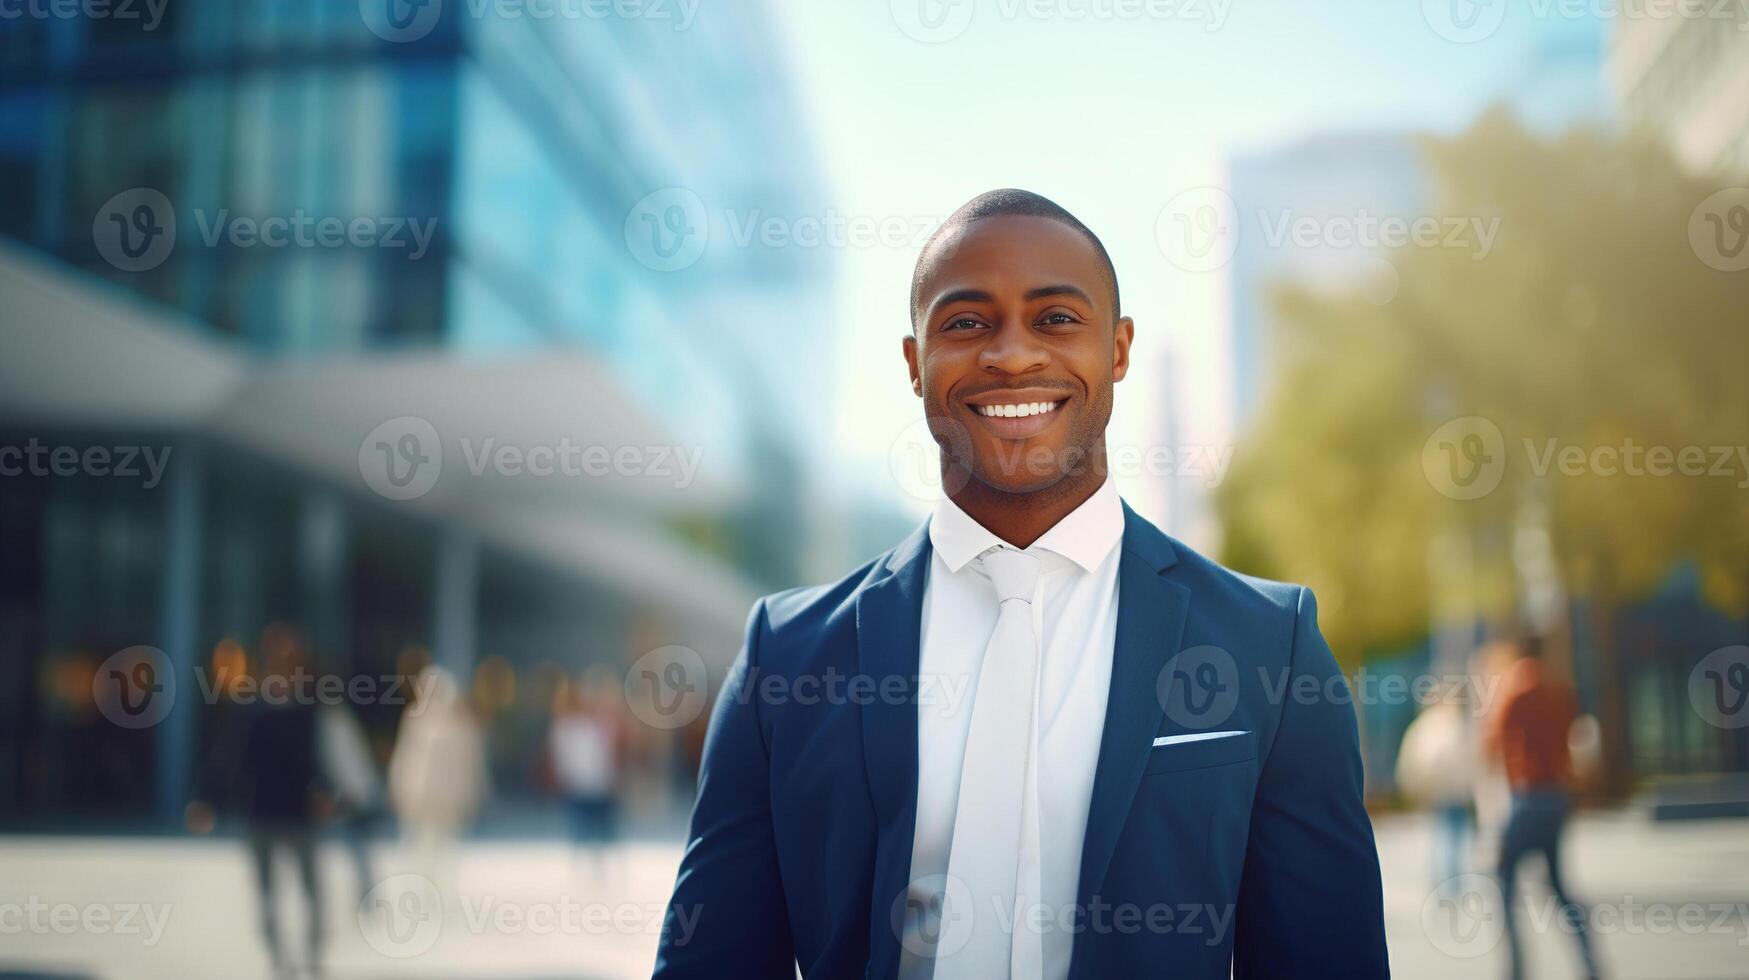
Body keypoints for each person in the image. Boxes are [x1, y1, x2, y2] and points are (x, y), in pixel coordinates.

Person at [653, 190, 1388, 979]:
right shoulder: (785, 657)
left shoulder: (1266, 643)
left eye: (1056, 319)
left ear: (1118, 349)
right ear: (914, 363)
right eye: (966, 322)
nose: (1010, 354)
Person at [187, 624, 327, 980]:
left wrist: (329, 792)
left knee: (312, 892)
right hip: (262, 811)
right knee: (266, 894)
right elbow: (230, 756)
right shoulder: (253, 708)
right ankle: (280, 960)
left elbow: (325, 757)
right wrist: (208, 799)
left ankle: (311, 958)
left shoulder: (311, 707)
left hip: (300, 813)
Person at [1484, 635, 1601, 980]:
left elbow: (1492, 742)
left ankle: (1516, 971)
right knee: (1560, 886)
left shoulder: (1514, 689)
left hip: (1528, 797)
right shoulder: (1558, 689)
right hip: (1556, 797)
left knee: (1503, 881)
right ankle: (1591, 964)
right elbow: (1570, 738)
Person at [1395, 680, 1478, 894]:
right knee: (1452, 837)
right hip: (1453, 790)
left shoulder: (1426, 724)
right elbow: (1465, 758)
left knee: (1445, 835)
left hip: (1442, 790)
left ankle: (1445, 882)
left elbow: (1411, 758)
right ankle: (1450, 884)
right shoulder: (1453, 723)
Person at [549, 668, 623, 884]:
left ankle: (602, 869)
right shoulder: (567, 726)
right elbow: (563, 755)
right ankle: (581, 871)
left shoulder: (600, 724)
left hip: (600, 785)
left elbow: (609, 754)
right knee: (580, 827)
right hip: (579, 784)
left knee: (604, 828)